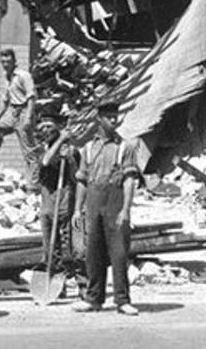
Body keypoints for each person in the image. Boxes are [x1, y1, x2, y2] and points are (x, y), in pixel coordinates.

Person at [72, 101, 140, 316]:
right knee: (93, 252)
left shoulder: (125, 147)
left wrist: (126, 210)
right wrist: (77, 209)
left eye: (115, 115)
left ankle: (122, 300)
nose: (114, 119)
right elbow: (82, 181)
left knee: (119, 253)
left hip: (115, 199)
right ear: (98, 119)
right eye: (109, 116)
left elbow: (129, 180)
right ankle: (93, 298)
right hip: (93, 200)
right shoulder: (88, 148)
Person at [37, 109, 80, 292]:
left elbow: (76, 177)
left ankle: (81, 285)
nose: (45, 130)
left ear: (58, 128)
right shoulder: (42, 150)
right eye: (43, 126)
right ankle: (55, 287)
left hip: (63, 204)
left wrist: (69, 158)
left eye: (49, 126)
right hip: (47, 206)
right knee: (49, 249)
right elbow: (46, 162)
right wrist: (61, 140)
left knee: (69, 249)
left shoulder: (71, 151)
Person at [0, 49, 38, 176]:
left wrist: (28, 118)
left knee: (29, 152)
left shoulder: (23, 75)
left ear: (14, 61)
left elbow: (31, 97)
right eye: (3, 62)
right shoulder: (9, 78)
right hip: (13, 113)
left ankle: (33, 186)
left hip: (24, 112)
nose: (5, 64)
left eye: (8, 61)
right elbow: (5, 102)